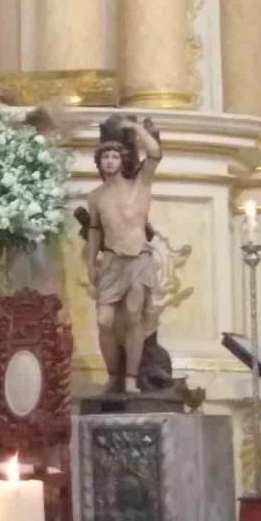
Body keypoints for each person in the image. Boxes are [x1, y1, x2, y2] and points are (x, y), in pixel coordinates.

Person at [85, 117, 162, 395]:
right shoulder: (95, 197)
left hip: (138, 259)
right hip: (112, 261)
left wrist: (136, 128)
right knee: (103, 320)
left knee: (133, 317)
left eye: (114, 155)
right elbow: (94, 232)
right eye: (105, 156)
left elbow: (154, 153)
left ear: (122, 159)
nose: (109, 161)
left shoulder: (140, 183)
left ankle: (130, 378)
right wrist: (89, 262)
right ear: (99, 161)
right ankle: (113, 375)